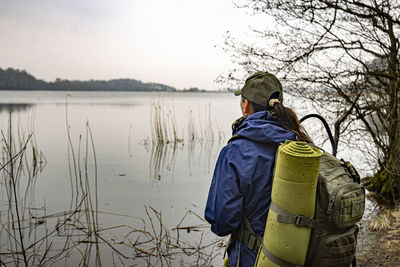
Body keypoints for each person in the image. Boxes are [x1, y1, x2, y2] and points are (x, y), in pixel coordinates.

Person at [204, 71, 312, 267]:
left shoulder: (234, 152)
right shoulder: (300, 143)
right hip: (298, 256)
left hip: (253, 259)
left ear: (246, 106)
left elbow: (221, 222)